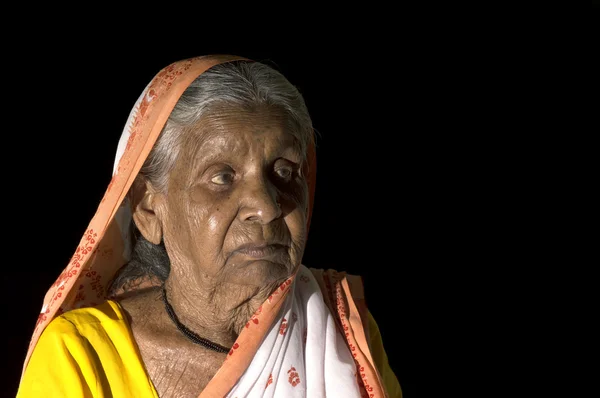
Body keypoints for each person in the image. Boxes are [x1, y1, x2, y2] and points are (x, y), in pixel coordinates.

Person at [17, 55, 401, 398]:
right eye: (222, 177)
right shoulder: (83, 355)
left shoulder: (344, 330)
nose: (267, 207)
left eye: (285, 172)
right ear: (149, 210)